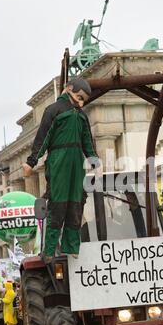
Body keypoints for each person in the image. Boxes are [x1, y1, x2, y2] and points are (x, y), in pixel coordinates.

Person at [22, 78, 102, 262]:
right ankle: (49, 249)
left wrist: (94, 161)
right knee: (58, 204)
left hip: (76, 162)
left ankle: (72, 245)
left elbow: (87, 141)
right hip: (59, 161)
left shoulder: (81, 116)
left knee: (76, 202)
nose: (81, 102)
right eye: (79, 97)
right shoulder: (53, 110)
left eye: (84, 100)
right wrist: (31, 162)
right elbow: (42, 138)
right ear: (69, 89)